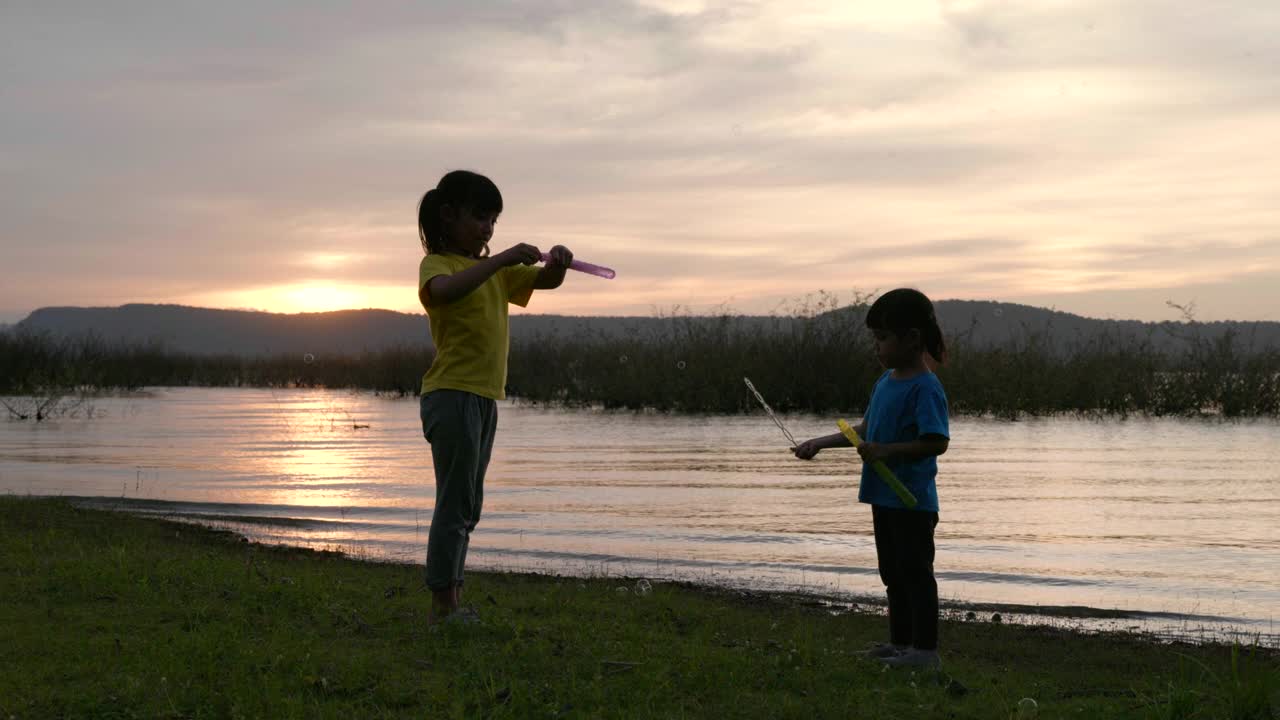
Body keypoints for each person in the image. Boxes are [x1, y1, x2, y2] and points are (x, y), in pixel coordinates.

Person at [416, 169, 573, 625]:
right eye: (480, 216)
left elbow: (546, 282)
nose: (487, 228)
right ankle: (443, 607)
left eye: (494, 220)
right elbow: (444, 292)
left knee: (469, 504)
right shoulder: (439, 266)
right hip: (450, 395)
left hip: (483, 397)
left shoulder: (498, 274)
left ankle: (454, 599)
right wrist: (501, 258)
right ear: (448, 216)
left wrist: (558, 263)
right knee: (454, 502)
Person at [792, 288, 950, 668]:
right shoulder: (886, 381)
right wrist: (820, 443)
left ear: (911, 338)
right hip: (883, 497)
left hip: (911, 501)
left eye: (882, 338)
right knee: (893, 575)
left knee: (916, 575)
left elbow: (936, 442)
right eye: (875, 338)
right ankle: (900, 646)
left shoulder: (926, 388)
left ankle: (926, 652)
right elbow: (866, 430)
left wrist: (887, 450)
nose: (876, 347)